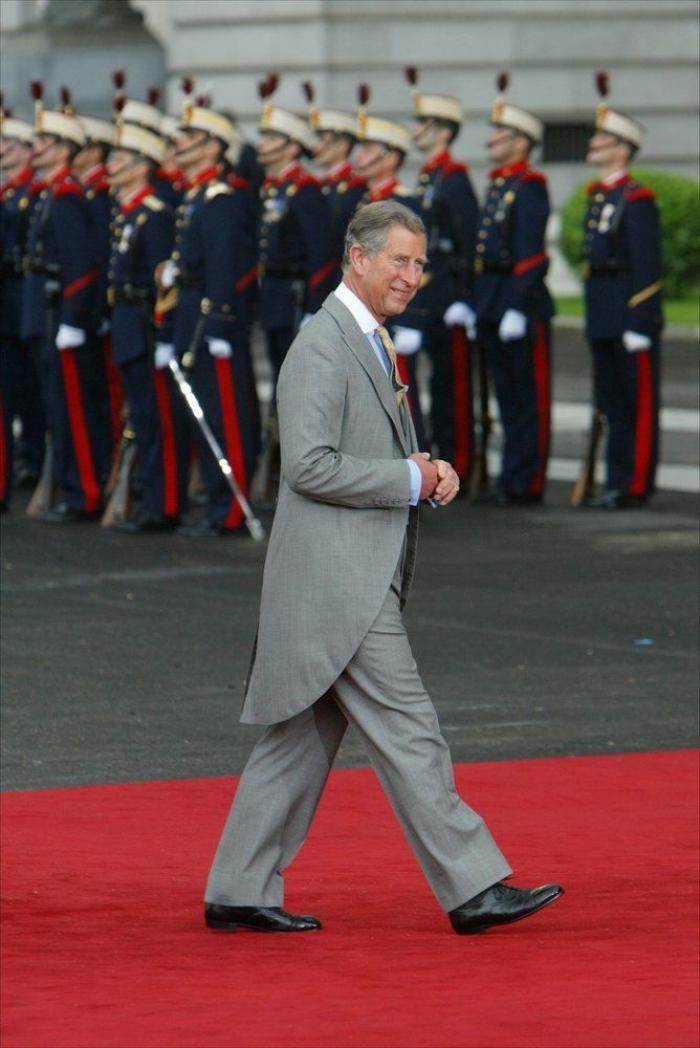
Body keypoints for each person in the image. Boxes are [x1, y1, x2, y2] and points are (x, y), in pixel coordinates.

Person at [204, 200, 563, 936]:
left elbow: (351, 453)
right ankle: (473, 887)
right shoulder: (323, 344)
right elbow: (307, 466)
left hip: (345, 574)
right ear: (357, 257)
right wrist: (409, 478)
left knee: (299, 741)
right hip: (340, 582)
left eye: (420, 263)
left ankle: (238, 890)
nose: (412, 275)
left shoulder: (366, 339)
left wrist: (423, 470)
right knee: (412, 729)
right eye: (399, 260)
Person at [159, 91, 261, 536]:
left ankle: (232, 509)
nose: (180, 144)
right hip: (189, 315)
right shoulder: (198, 194)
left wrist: (220, 320)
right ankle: (218, 505)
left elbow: (225, 263)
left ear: (214, 147)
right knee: (202, 412)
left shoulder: (219, 198)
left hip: (209, 319)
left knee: (224, 416)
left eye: (192, 137)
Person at [22, 82, 111, 522]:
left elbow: (82, 263)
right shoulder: (52, 193)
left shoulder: (69, 195)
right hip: (46, 310)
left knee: (75, 409)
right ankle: (73, 489)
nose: (34, 148)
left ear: (63, 149)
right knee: (59, 407)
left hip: (63, 314)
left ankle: (86, 494)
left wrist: (75, 317)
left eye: (43, 142)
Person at [581, 74, 662, 509]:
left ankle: (633, 484)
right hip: (603, 312)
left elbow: (648, 265)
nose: (594, 143)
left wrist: (640, 318)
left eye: (603, 138)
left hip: (629, 315)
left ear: (623, 148)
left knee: (637, 404)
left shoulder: (637, 198)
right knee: (612, 404)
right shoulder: (599, 197)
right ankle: (615, 481)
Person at [472, 75, 553, 505]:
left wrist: (518, 305)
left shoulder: (530, 186)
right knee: (505, 397)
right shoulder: (500, 184)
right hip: (492, 299)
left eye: (501, 134)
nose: (492, 140)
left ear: (522, 142)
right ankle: (510, 477)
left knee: (527, 398)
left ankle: (528, 482)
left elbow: (530, 252)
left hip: (518, 303)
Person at [105, 119, 188, 531]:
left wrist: (166, 334)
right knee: (141, 415)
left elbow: (162, 282)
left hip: (144, 327)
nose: (110, 164)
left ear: (141, 166)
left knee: (156, 419)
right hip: (125, 323)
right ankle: (153, 498)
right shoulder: (128, 213)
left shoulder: (152, 215)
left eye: (119, 158)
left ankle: (163, 504)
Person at [400, 67, 479, 482]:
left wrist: (466, 296)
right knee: (438, 388)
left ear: (442, 131)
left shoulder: (455, 178)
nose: (415, 131)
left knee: (454, 389)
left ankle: (462, 465)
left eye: (422, 124)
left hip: (449, 296)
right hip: (430, 297)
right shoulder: (430, 176)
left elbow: (467, 242)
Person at [353, 92, 428, 450]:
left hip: (396, 316)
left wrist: (413, 319)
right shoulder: (363, 202)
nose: (360, 157)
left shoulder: (407, 203)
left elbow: (418, 265)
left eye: (369, 150)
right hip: (365, 314)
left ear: (391, 156)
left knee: (402, 402)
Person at [256, 76, 335, 384]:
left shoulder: (305, 189)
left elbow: (322, 251)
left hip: (295, 296)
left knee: (300, 381)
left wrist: (315, 308)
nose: (261, 144)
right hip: (275, 296)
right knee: (280, 375)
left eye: (270, 137)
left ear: (291, 147)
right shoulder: (274, 189)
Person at [0, 106, 43, 508]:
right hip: (12, 304)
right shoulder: (11, 192)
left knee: (30, 392)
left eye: (7, 143)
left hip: (21, 302)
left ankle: (33, 456)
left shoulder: (36, 193)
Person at [303, 83, 366, 284]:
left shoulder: (354, 187)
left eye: (324, 140)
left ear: (342, 145)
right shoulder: (320, 184)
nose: (317, 147)